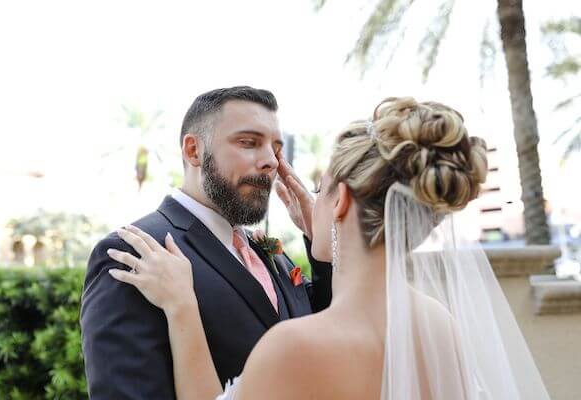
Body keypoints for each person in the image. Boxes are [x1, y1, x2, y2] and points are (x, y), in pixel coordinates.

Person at [108, 97, 551, 399]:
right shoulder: (439, 327)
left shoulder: (293, 348)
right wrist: (328, 236)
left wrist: (182, 309)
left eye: (320, 190)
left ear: (340, 200)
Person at [80, 86, 333, 399]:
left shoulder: (268, 253)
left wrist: (319, 241)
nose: (271, 161)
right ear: (193, 151)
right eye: (249, 143)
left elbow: (328, 331)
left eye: (276, 149)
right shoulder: (134, 252)